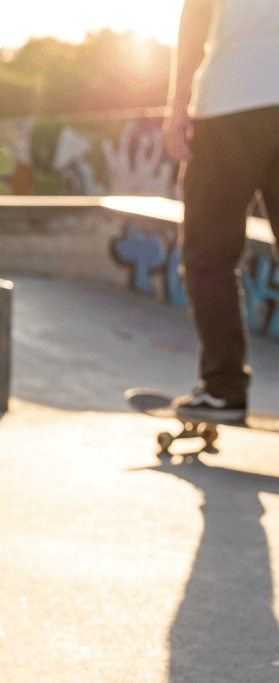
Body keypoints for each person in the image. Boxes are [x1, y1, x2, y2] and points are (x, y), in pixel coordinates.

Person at [162, 0, 279, 421]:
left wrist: (177, 106)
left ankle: (223, 388)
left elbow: (197, 13)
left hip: (233, 102)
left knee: (207, 254)